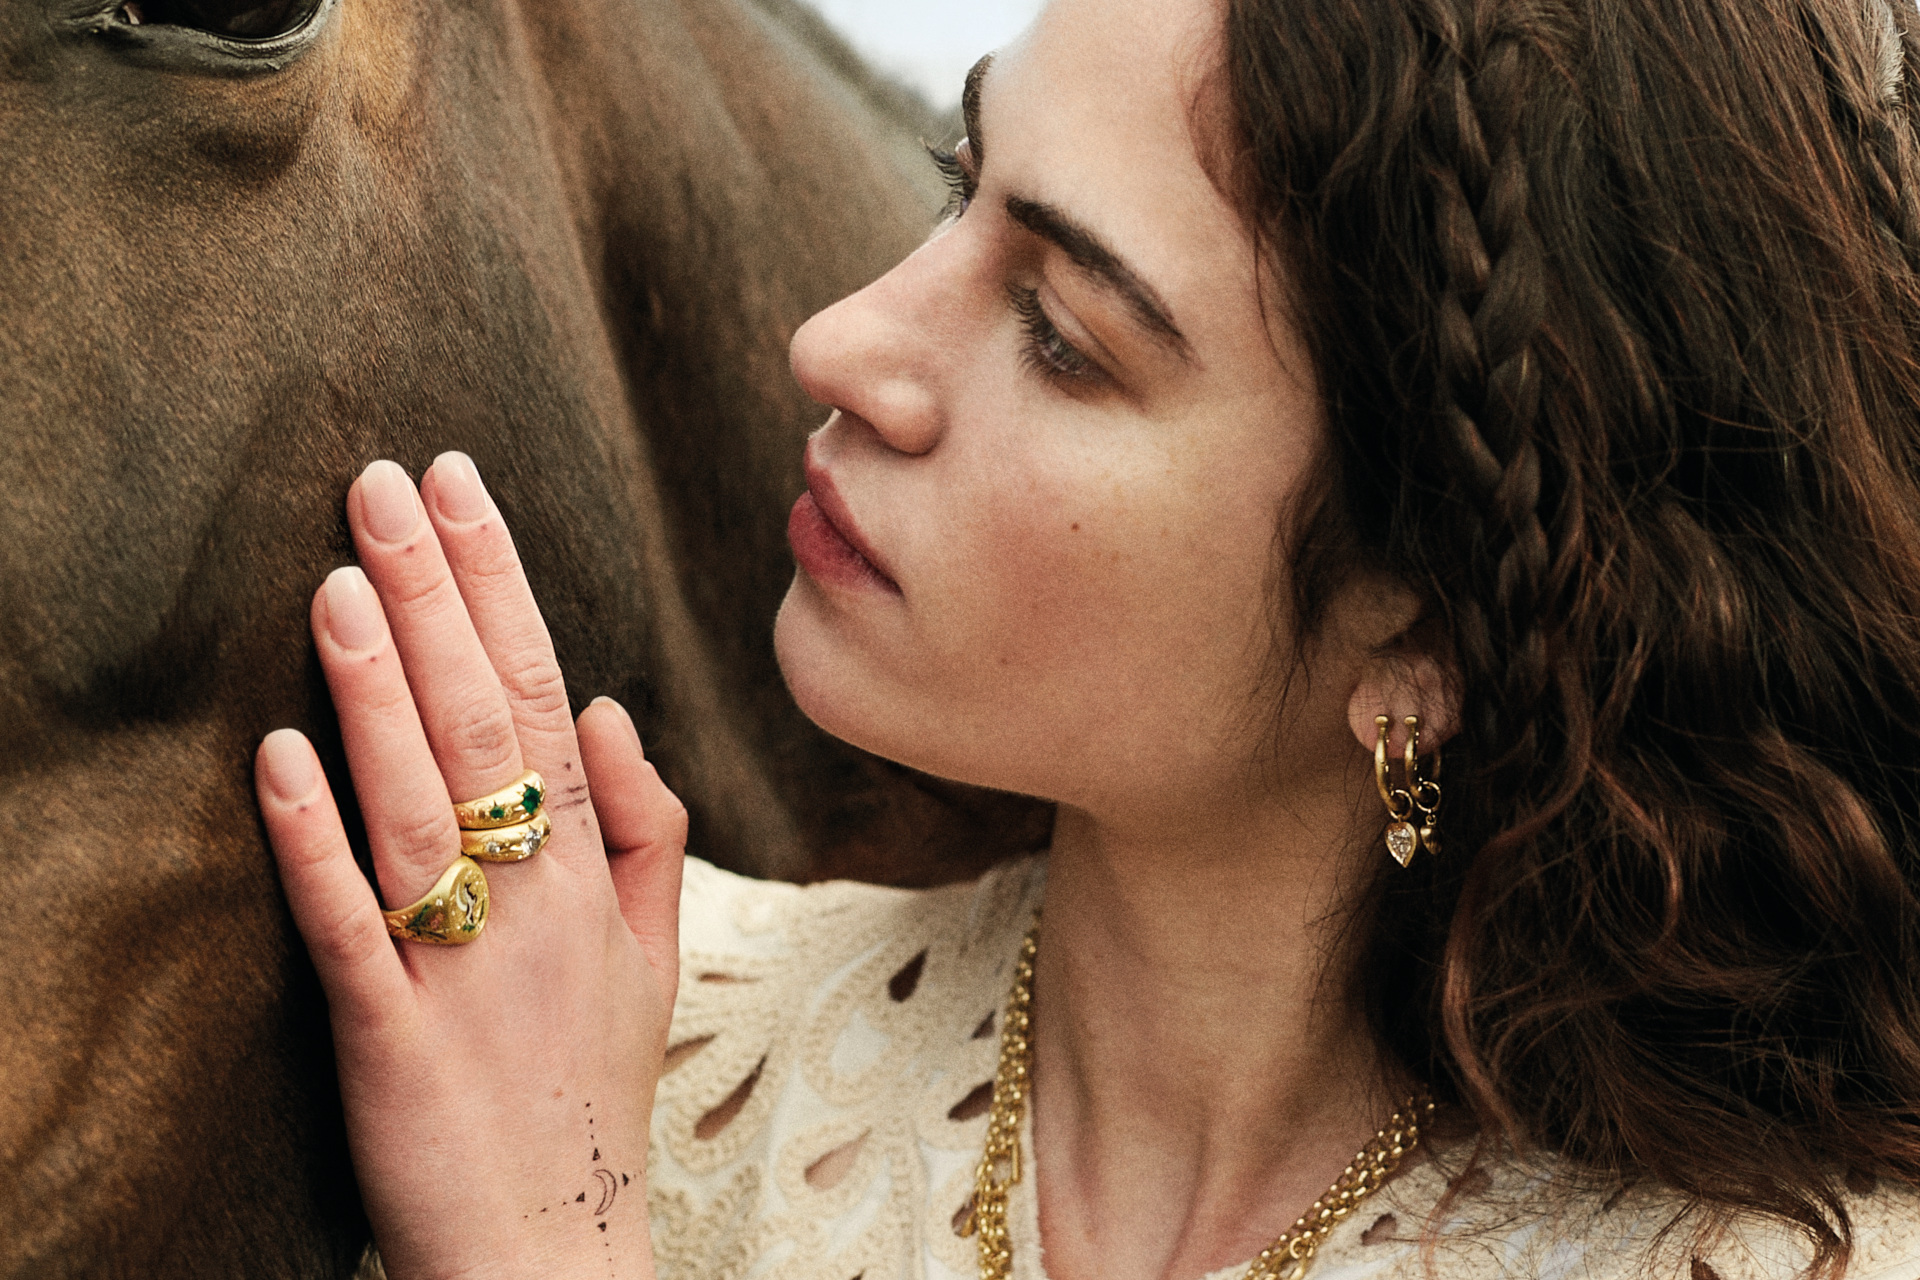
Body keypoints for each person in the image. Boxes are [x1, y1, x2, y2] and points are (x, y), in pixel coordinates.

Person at [252, 0, 1920, 1275]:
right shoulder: (562, 1043)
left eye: (1061, 335)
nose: (841, 343)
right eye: (956, 186)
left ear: (1426, 637)